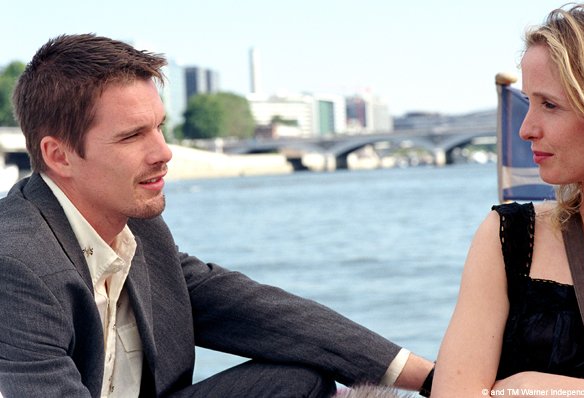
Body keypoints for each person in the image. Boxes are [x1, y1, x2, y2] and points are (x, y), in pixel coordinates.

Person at [0, 34, 434, 398]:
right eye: (132, 136)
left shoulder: (136, 226)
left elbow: (254, 311)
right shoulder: (16, 263)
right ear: (59, 156)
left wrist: (430, 378)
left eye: (159, 127)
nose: (164, 152)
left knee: (297, 381)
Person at [430, 0, 584, 397]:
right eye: (528, 101)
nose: (526, 129)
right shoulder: (508, 238)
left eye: (549, 104)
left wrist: (533, 388)